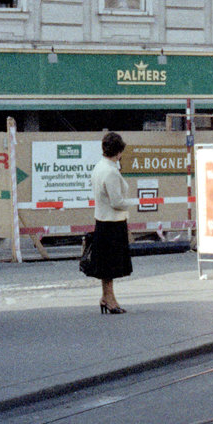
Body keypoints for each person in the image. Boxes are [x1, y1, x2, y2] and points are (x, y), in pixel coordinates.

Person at [89, 131, 132, 314]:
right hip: (113, 223)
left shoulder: (99, 166)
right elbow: (117, 202)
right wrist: (134, 203)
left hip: (101, 221)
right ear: (119, 151)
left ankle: (107, 297)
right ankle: (110, 300)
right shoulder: (111, 172)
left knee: (106, 267)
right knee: (111, 266)